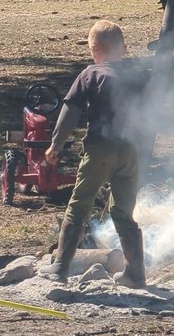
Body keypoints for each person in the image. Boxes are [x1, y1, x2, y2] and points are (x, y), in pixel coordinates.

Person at [38, 19, 147, 287]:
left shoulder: (90, 74)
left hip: (101, 148)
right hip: (130, 151)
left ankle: (60, 268)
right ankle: (136, 274)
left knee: (79, 206)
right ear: (124, 49)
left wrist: (55, 145)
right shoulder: (137, 78)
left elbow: (70, 112)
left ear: (95, 48)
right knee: (123, 212)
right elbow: (149, 117)